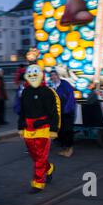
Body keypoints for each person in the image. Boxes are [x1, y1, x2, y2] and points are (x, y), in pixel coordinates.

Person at [19, 64, 61, 193]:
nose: (32, 77)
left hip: (43, 127)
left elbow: (54, 112)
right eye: (30, 74)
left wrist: (54, 129)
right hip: (28, 128)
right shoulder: (25, 91)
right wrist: (21, 126)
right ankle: (48, 168)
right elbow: (22, 111)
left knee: (41, 156)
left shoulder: (48, 92)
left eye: (35, 74)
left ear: (41, 75)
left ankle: (38, 182)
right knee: (35, 155)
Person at [49, 70, 76, 157]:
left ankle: (69, 148)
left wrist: (67, 109)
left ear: (58, 75)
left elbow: (71, 96)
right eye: (52, 76)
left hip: (66, 111)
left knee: (67, 130)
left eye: (55, 75)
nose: (53, 77)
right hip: (57, 113)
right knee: (60, 131)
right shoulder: (52, 87)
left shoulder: (64, 84)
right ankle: (65, 149)